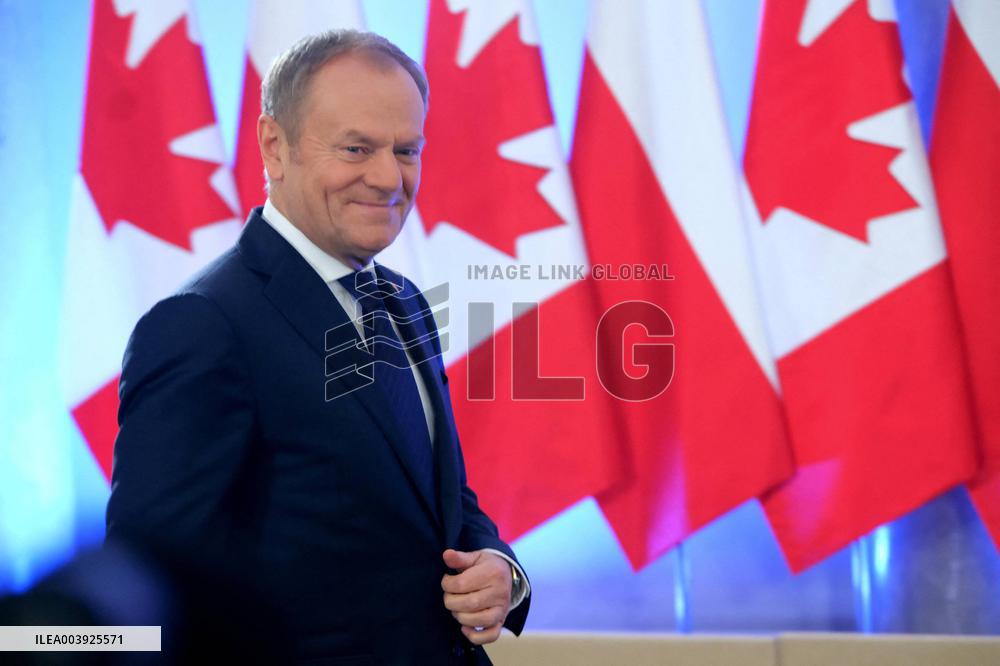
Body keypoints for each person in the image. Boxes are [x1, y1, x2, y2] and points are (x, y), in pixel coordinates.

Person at [106, 29, 529, 665]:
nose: (389, 178)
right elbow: (141, 588)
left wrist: (499, 570)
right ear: (274, 146)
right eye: (357, 147)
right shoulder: (201, 324)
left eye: (406, 150)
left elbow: (436, 502)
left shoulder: (404, 301)